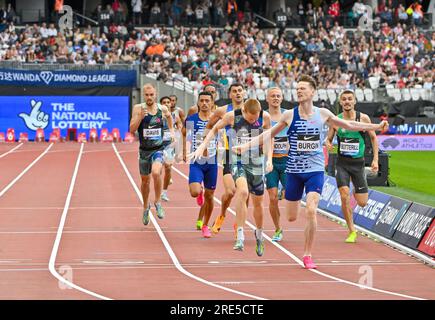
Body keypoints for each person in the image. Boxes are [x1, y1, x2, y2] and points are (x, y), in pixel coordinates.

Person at [233, 75, 388, 269]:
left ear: (313, 92)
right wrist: (247, 145)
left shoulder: (322, 113)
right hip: (294, 172)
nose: (298, 91)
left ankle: (307, 255)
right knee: (291, 216)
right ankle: (286, 197)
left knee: (312, 210)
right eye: (297, 89)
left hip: (315, 170)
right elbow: (268, 134)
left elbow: (350, 125)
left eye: (303, 89)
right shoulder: (289, 115)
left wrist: (376, 126)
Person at [190, 98, 272, 256]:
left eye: (255, 119)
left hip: (255, 162)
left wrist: (269, 159)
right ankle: (240, 236)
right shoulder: (231, 116)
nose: (253, 121)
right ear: (244, 112)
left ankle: (259, 234)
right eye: (250, 119)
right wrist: (202, 146)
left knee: (258, 203)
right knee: (242, 192)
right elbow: (213, 129)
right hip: (236, 160)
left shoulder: (265, 117)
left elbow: (269, 136)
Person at [325, 89, 379, 243]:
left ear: (354, 101)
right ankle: (352, 231)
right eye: (344, 99)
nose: (347, 102)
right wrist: (328, 143)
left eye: (350, 99)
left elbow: (374, 138)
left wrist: (375, 159)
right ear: (340, 102)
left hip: (358, 164)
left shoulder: (363, 118)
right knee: (344, 195)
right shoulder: (336, 120)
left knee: (362, 203)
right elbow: (328, 139)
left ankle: (357, 187)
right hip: (342, 164)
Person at [129, 84, 175, 225]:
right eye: (146, 95)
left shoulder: (162, 109)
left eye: (151, 95)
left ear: (155, 95)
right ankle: (145, 207)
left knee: (156, 173)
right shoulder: (138, 108)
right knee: (145, 181)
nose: (149, 97)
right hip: (144, 151)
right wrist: (140, 118)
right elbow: (131, 129)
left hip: (158, 149)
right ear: (144, 95)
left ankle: (158, 202)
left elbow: (169, 118)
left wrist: (172, 131)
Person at [203, 83, 245, 234]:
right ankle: (222, 214)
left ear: (244, 93)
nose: (238, 93)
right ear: (230, 95)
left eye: (240, 91)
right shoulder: (223, 110)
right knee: (231, 191)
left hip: (248, 156)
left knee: (244, 192)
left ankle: (239, 224)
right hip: (229, 155)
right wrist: (208, 142)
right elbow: (210, 126)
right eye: (234, 91)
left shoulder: (253, 109)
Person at [183, 92, 218, 238]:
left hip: (212, 163)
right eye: (201, 100)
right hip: (197, 162)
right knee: (194, 192)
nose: (204, 103)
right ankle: (200, 191)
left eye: (207, 101)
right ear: (198, 103)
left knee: (210, 197)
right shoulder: (192, 119)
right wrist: (184, 150)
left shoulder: (217, 119)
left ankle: (205, 225)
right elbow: (185, 134)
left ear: (211, 103)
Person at [264, 87, 289, 242]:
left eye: (278, 96)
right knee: (272, 198)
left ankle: (284, 191)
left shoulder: (288, 115)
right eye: (272, 96)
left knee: (290, 193)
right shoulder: (264, 117)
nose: (275, 98)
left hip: (287, 162)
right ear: (267, 98)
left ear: (282, 98)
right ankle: (278, 229)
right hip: (270, 163)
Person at [161, 94, 185, 202]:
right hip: (156, 145)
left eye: (168, 102)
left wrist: (178, 130)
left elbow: (180, 125)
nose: (166, 104)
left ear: (171, 104)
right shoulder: (156, 116)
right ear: (161, 105)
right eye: (164, 103)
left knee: (168, 167)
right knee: (157, 168)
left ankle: (164, 192)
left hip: (169, 145)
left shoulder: (175, 116)